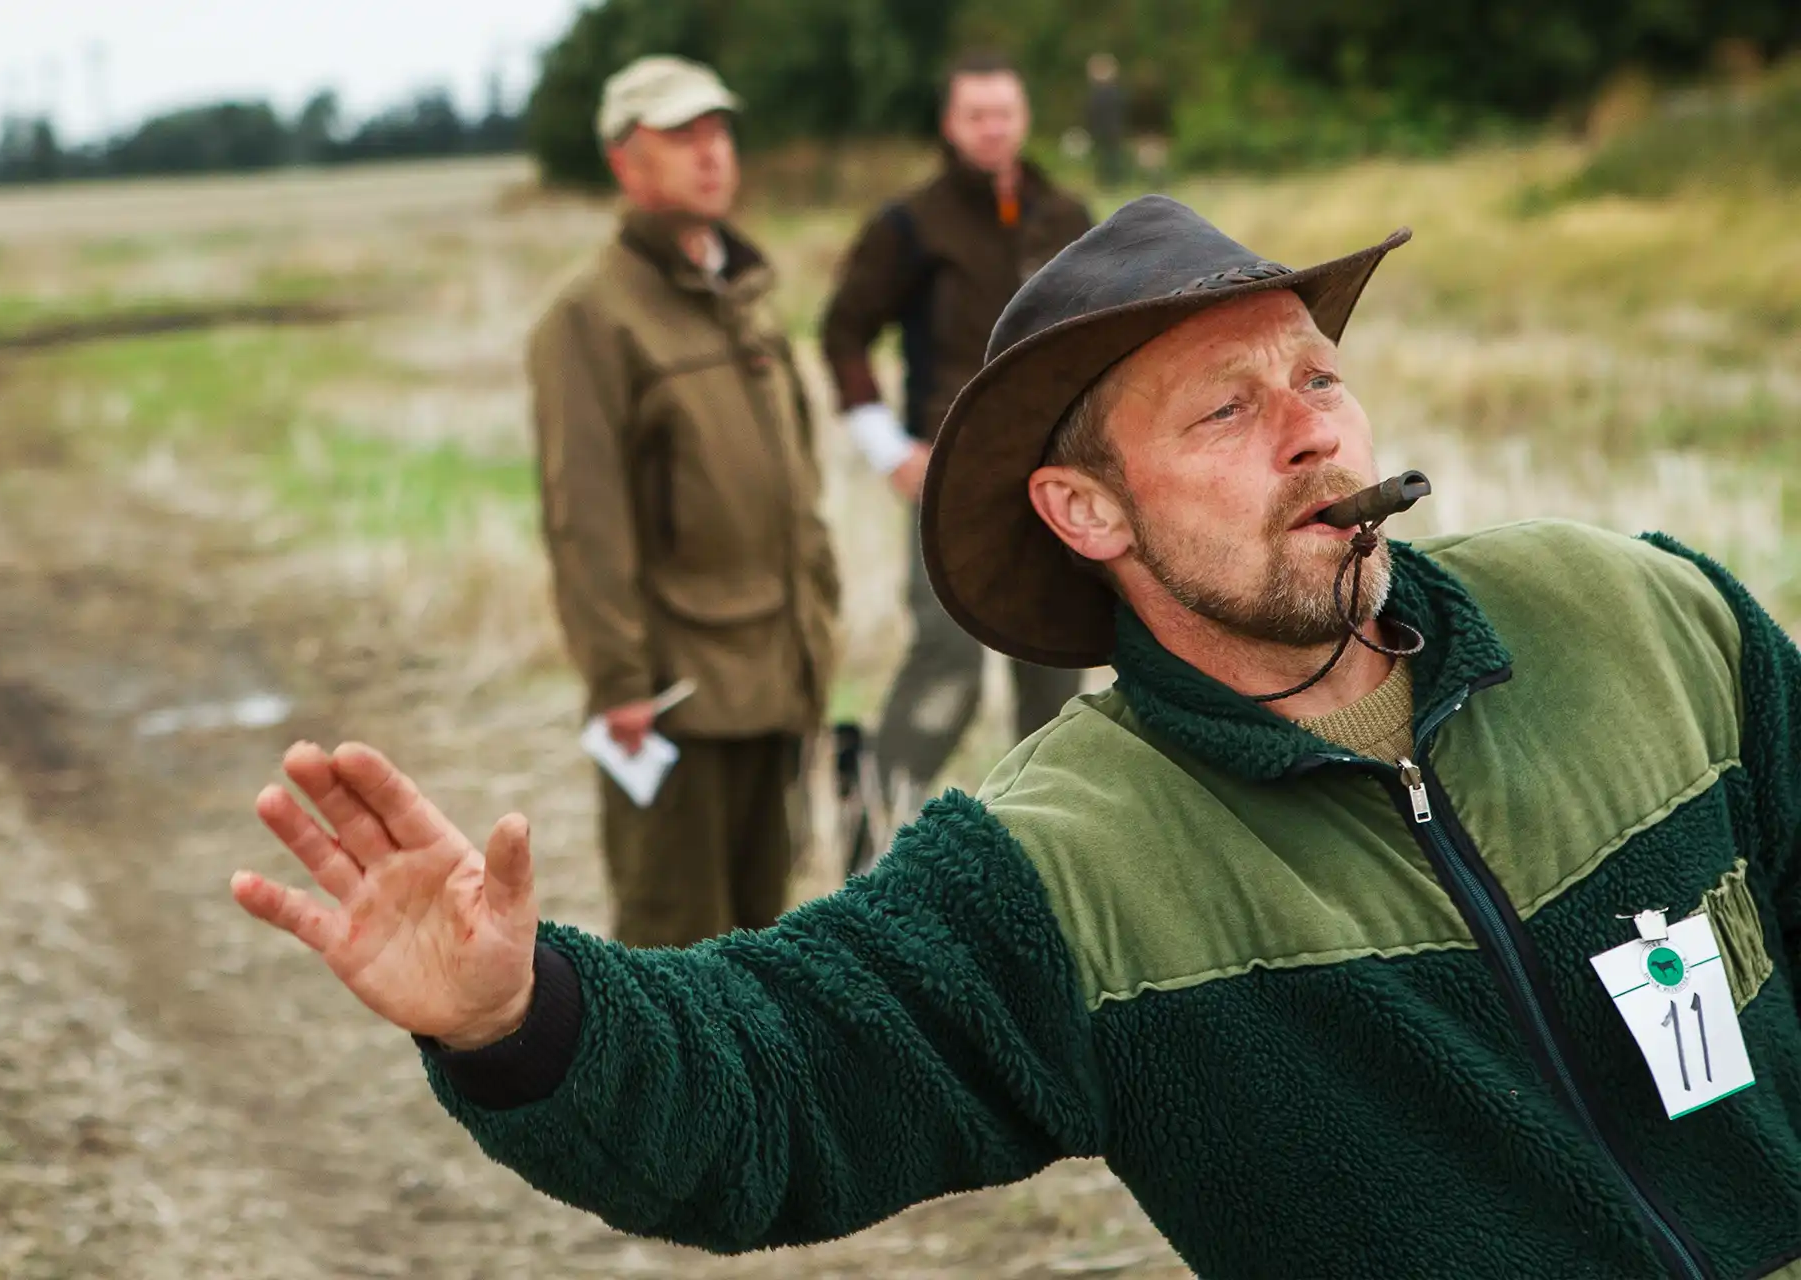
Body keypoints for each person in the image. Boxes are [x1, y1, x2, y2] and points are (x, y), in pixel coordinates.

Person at [231, 196, 1801, 1280]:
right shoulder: (1065, 869)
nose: (1318, 428)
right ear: (1085, 510)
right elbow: (773, 1090)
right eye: (1228, 413)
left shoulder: (1645, 618)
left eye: (1321, 376)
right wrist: (521, 1020)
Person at [521, 55, 839, 947]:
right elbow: (584, 517)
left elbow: (797, 484)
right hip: (677, 695)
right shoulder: (589, 318)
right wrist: (620, 682)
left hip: (777, 671)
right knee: (674, 945)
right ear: (626, 163)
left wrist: (817, 632)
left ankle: (755, 1096)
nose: (711, 153)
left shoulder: (745, 299)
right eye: (681, 136)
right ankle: (658, 1097)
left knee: (765, 940)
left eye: (719, 131)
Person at [820, 51, 1093, 844]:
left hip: (1056, 473)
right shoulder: (911, 224)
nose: (992, 128)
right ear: (950, 123)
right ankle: (869, 836)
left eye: (1004, 112)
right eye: (976, 115)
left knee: (1053, 662)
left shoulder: (1066, 214)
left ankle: (1045, 847)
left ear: (1024, 117)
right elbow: (842, 330)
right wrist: (888, 449)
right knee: (948, 660)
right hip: (951, 476)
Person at [1084, 53, 1127, 188]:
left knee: (1109, 157)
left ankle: (1112, 181)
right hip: (1110, 129)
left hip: (1108, 129)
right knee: (1108, 157)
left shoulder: (1103, 93)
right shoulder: (1112, 92)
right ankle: (1111, 181)